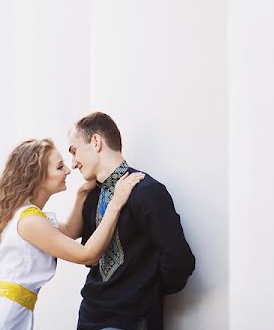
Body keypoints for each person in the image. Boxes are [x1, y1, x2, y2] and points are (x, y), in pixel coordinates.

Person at [0, 138, 145, 330]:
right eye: (60, 167)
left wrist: (82, 195)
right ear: (39, 177)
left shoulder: (28, 216)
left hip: (7, 315)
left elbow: (69, 231)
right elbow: (88, 254)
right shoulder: (30, 222)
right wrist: (115, 204)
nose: (68, 170)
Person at [65, 112, 195, 330]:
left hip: (132, 319)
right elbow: (91, 258)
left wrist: (145, 293)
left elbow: (179, 260)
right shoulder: (92, 197)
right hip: (89, 317)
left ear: (96, 142)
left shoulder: (147, 191)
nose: (73, 163)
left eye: (74, 151)